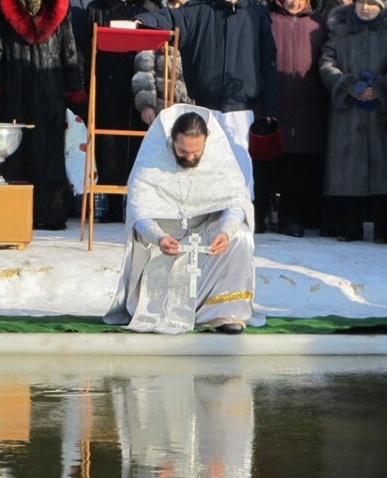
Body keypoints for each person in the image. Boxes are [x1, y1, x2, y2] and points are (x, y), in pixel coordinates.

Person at [104, 105, 261, 335]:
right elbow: (139, 213)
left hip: (206, 245)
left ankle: (222, 313)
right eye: (182, 151)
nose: (190, 157)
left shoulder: (218, 156)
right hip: (162, 247)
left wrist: (226, 231)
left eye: (196, 152)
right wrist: (158, 237)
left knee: (241, 236)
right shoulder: (153, 157)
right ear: (171, 142)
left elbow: (237, 202)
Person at [134, 0, 281, 198]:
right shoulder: (198, 9)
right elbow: (168, 17)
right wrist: (139, 21)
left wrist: (272, 109)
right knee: (201, 172)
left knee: (240, 174)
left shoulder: (256, 13)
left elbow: (268, 61)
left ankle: (240, 222)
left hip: (241, 110)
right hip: (204, 109)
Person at [0, 0, 87, 230]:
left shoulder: (59, 8)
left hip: (50, 91)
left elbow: (69, 49)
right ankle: (17, 214)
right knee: (17, 152)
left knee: (51, 152)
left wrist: (74, 89)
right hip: (16, 90)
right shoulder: (4, 8)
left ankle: (51, 212)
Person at [319, 0, 387, 244]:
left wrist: (380, 87)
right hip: (348, 113)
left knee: (381, 170)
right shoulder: (339, 29)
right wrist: (347, 85)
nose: (365, 8)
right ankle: (352, 226)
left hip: (380, 111)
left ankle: (380, 227)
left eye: (372, 3)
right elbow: (327, 63)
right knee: (350, 172)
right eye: (361, 3)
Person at [86, 0, 162, 223]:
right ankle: (111, 202)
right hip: (107, 84)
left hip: (143, 86)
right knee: (108, 143)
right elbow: (87, 49)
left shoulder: (151, 8)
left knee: (141, 144)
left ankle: (137, 201)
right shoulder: (97, 8)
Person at [265, 0, 329, 237]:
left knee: (299, 166)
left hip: (308, 104)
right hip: (273, 100)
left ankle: (293, 217)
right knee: (270, 161)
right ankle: (264, 211)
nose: (295, 2)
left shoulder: (319, 24)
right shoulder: (266, 18)